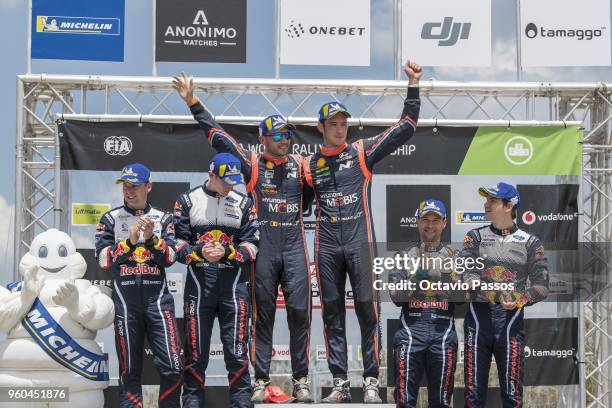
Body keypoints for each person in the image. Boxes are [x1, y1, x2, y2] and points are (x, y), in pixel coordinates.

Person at [172, 72, 314, 403]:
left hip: (294, 247)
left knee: (299, 314)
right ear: (262, 138)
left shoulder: (302, 164)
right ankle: (261, 380)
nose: (285, 140)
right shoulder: (250, 165)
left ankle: (302, 379)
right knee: (262, 315)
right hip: (264, 251)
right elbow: (218, 137)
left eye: (288, 134)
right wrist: (193, 102)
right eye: (277, 135)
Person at [303, 60, 422, 403]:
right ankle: (339, 382)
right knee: (330, 311)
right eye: (334, 125)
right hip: (326, 246)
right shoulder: (309, 165)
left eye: (344, 124)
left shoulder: (361, 152)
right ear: (321, 127)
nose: (340, 130)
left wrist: (412, 85)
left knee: (368, 309)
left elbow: (407, 127)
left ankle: (371, 379)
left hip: (359, 244)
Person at [173, 152, 259, 408]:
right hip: (199, 285)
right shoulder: (187, 200)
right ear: (211, 175)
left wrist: (229, 252)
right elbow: (175, 245)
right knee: (196, 353)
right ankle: (191, 404)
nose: (231, 185)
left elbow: (253, 244)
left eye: (235, 179)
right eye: (226, 180)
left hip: (234, 285)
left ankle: (242, 404)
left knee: (236, 352)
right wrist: (198, 253)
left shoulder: (243, 203)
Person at [95, 163, 183, 408]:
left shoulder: (164, 218)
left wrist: (152, 239)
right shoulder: (110, 218)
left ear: (148, 186)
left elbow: (170, 258)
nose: (129, 191)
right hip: (126, 306)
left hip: (158, 304)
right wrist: (129, 242)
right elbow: (102, 260)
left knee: (173, 369)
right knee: (129, 373)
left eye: (134, 186)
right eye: (125, 185)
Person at [459, 182, 549, 407]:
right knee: (473, 395)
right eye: (486, 199)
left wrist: (519, 299)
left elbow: (542, 286)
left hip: (510, 325)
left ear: (509, 206)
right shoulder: (475, 237)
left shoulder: (530, 242)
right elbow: (464, 273)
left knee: (512, 396)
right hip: (478, 324)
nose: (486, 204)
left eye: (492, 200)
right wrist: (489, 291)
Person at [389, 200, 458, 408]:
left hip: (443, 333)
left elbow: (463, 297)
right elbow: (397, 297)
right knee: (405, 402)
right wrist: (420, 273)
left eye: (435, 220)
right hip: (411, 333)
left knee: (442, 402)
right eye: (425, 220)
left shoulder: (455, 257)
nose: (430, 225)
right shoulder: (402, 256)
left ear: (444, 223)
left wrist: (445, 273)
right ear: (417, 222)